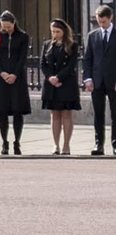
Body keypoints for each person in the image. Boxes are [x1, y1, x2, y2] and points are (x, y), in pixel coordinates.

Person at [0, 10, 32, 156]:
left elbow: (22, 58)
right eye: (4, 26)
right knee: (2, 111)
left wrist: (14, 74)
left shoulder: (23, 36)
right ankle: (4, 142)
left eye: (8, 26)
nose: (6, 29)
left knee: (17, 111)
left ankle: (17, 141)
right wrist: (1, 72)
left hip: (17, 77)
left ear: (14, 23)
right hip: (1, 77)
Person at [39, 18, 80, 155]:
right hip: (51, 84)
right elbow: (43, 64)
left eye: (57, 31)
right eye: (53, 31)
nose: (54, 34)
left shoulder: (72, 45)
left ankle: (66, 145)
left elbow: (71, 65)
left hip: (66, 83)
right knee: (54, 115)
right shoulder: (47, 45)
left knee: (66, 114)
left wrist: (59, 77)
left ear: (63, 31)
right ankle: (55, 145)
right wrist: (50, 77)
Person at [86, 6, 116, 155]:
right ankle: (99, 144)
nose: (101, 25)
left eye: (103, 22)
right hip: (97, 81)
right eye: (99, 22)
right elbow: (88, 59)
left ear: (111, 18)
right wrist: (88, 79)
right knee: (98, 114)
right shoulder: (92, 36)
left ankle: (115, 144)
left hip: (113, 81)